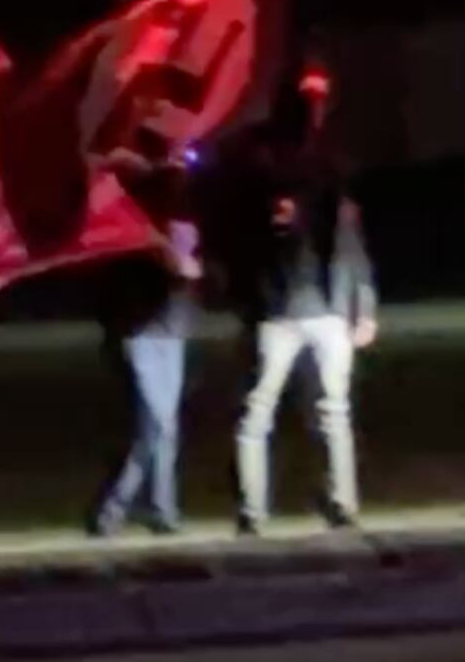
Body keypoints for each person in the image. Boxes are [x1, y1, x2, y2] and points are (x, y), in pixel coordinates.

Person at [226, 62, 378, 536]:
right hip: (285, 310)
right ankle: (255, 509)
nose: (316, 108)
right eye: (310, 99)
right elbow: (250, 239)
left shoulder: (328, 172)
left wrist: (364, 305)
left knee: (327, 411)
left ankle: (339, 502)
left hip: (322, 309)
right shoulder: (268, 167)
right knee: (265, 412)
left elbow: (351, 242)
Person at [88, 95, 203, 537]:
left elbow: (185, 256)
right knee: (158, 423)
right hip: (141, 324)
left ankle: (161, 509)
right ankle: (116, 510)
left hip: (168, 323)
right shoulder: (130, 204)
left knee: (161, 425)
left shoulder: (173, 203)